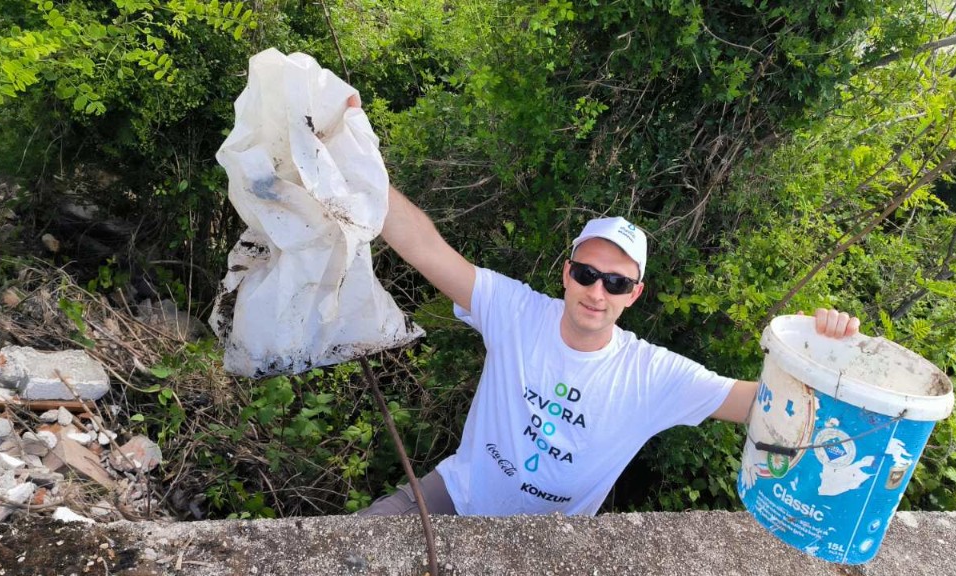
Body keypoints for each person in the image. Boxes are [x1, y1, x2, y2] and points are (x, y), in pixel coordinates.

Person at [351, 97, 861, 517]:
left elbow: (758, 406)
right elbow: (426, 248)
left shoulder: (650, 373)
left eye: (617, 283)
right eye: (587, 274)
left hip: (549, 545)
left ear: (634, 294)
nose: (597, 292)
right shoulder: (515, 311)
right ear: (566, 273)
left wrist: (819, 356)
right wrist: (357, 161)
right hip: (454, 497)